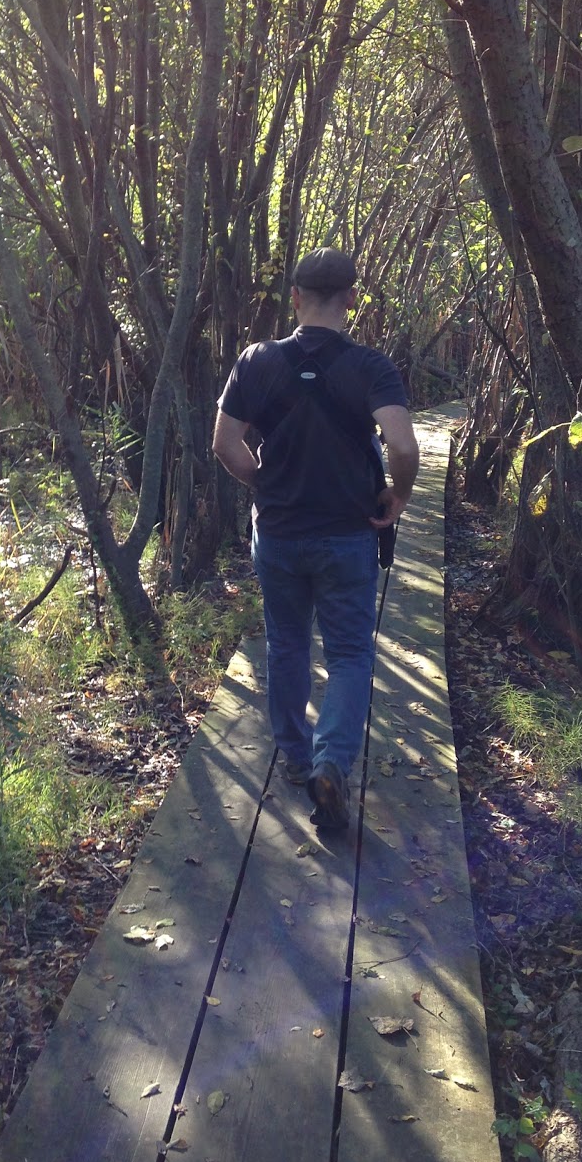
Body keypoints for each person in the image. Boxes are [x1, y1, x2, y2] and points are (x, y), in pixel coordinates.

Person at [212, 248, 419, 832]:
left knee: (287, 644)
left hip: (277, 534)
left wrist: (265, 482)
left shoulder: (255, 361)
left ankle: (299, 759)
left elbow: (224, 444)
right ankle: (332, 761)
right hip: (348, 534)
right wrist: (397, 497)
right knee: (351, 652)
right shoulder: (371, 367)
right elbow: (403, 447)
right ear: (352, 299)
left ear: (295, 298)